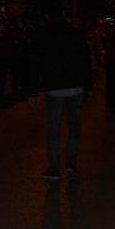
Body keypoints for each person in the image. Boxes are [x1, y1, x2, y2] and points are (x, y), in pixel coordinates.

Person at [32, 9, 92, 181]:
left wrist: (33, 88)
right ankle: (71, 163)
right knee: (74, 127)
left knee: (53, 129)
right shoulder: (76, 34)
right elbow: (85, 60)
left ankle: (54, 168)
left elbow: (36, 61)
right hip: (75, 87)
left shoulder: (44, 35)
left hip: (54, 87)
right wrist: (88, 86)